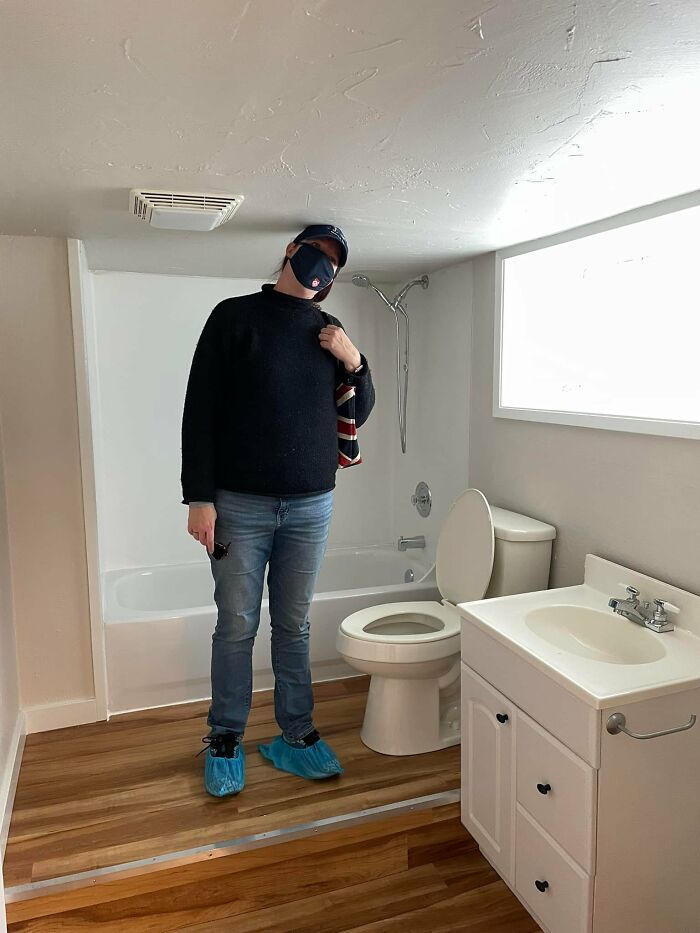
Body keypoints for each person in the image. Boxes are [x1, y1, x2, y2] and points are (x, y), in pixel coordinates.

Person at [181, 224, 376, 797]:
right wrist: (199, 497)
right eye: (318, 253)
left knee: (294, 624)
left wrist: (354, 358)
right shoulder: (234, 317)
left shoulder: (328, 331)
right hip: (238, 504)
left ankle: (295, 734)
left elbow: (357, 411)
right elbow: (200, 411)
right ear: (292, 251)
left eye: (334, 264)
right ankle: (225, 737)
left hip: (312, 506)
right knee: (236, 624)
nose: (323, 268)